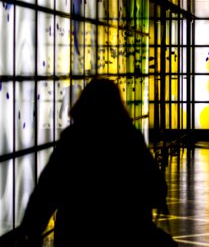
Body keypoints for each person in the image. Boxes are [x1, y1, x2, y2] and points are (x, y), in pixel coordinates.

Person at [0, 78, 176, 247]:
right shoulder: (130, 138)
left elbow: (48, 189)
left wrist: (30, 229)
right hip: (126, 232)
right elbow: (156, 187)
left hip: (77, 232)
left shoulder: (73, 139)